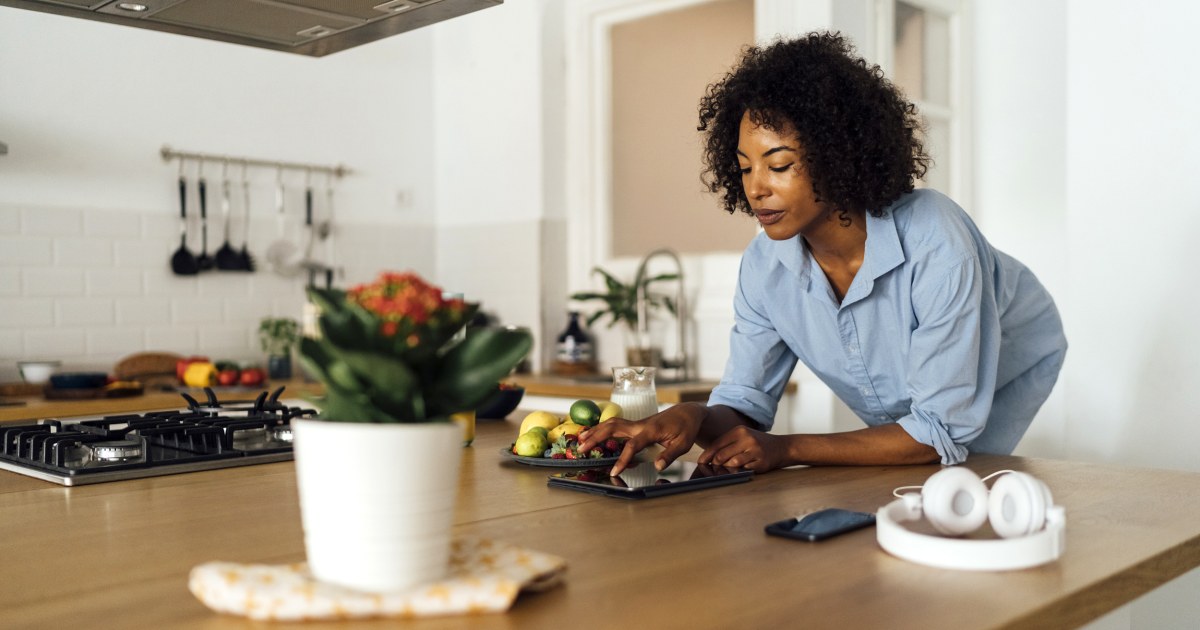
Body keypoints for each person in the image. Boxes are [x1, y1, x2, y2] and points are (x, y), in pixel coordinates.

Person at [578, 32, 1066, 475]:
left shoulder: (936, 237)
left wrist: (787, 449)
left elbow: (939, 433)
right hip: (920, 410)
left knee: (956, 480)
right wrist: (692, 416)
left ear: (839, 155)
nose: (756, 189)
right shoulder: (765, 267)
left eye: (780, 164)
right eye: (745, 169)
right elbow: (746, 403)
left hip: (1011, 363)